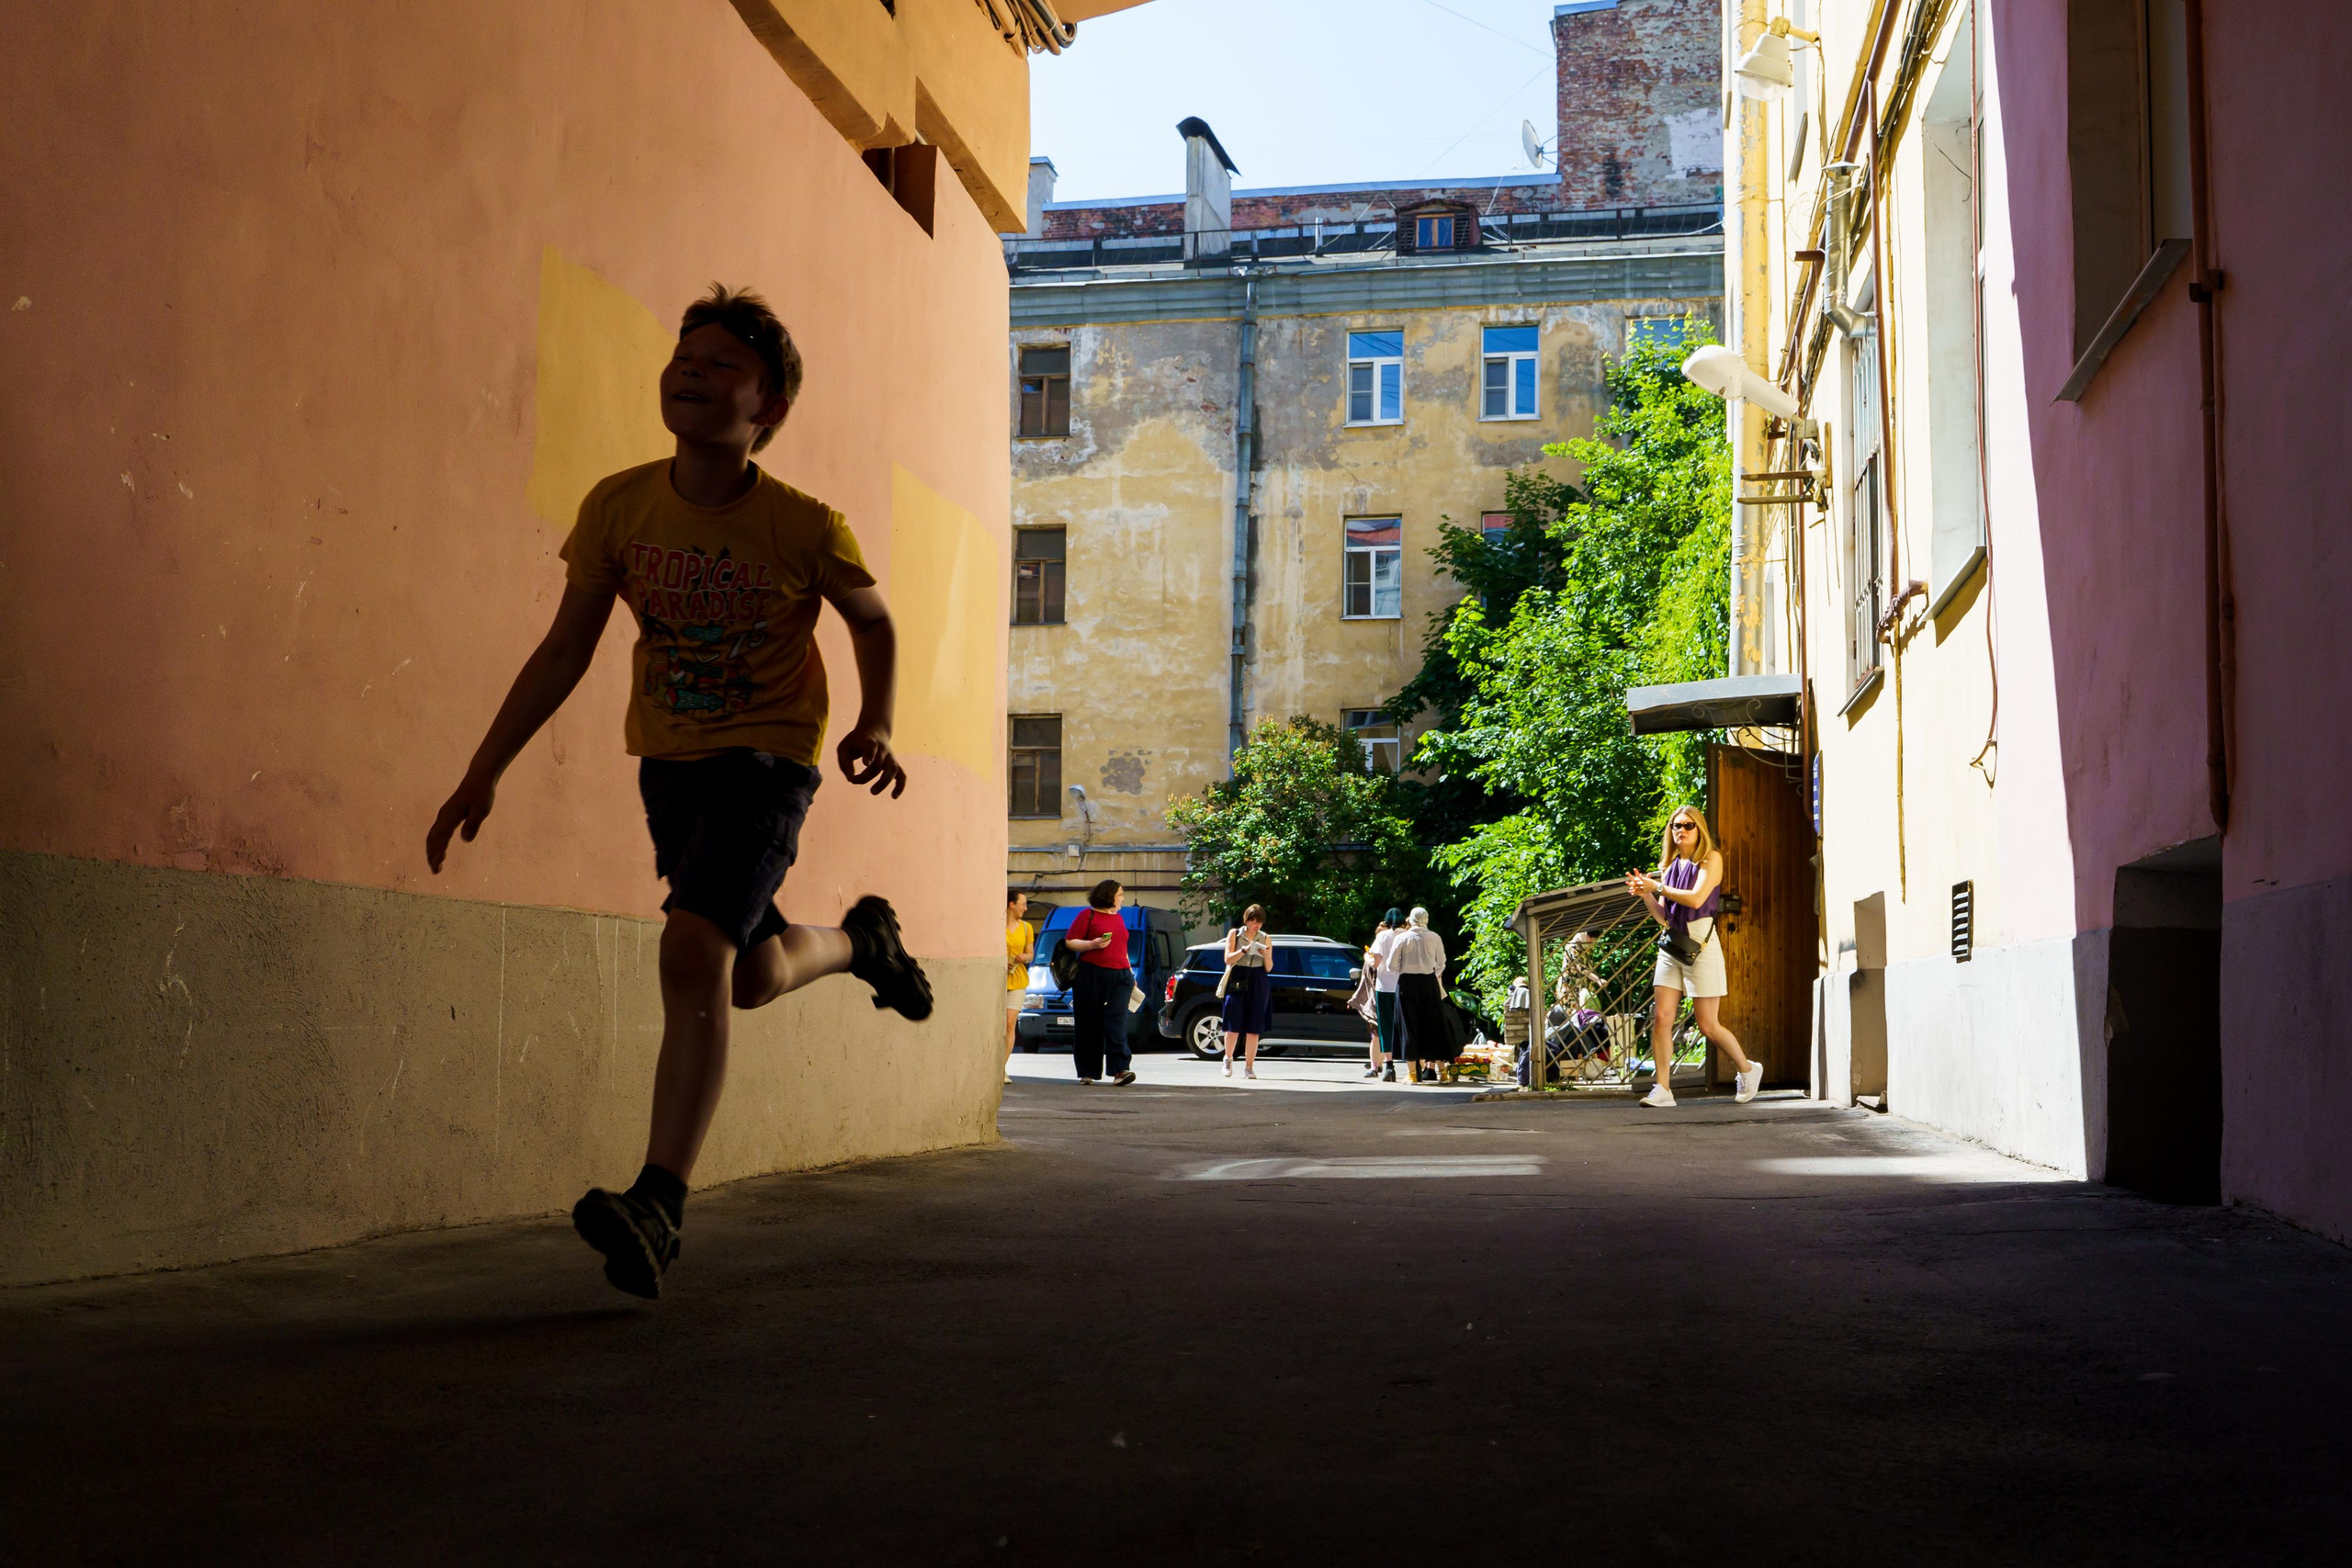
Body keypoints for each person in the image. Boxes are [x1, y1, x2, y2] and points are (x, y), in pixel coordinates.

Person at [425, 285, 932, 1301]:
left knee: (691, 944)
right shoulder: (619, 505)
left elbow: (870, 619)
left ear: (768, 408)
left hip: (768, 758)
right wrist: (484, 767)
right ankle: (856, 944)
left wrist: (876, 718)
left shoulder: (801, 525)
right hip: (670, 761)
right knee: (741, 977)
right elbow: (566, 647)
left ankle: (660, 1200)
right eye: (682, 357)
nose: (689, 373)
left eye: (718, 366)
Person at [1626, 804, 1763, 1109]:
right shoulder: (1670, 865)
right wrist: (1646, 893)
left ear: (1699, 829)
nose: (1682, 831)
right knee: (1661, 1018)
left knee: (1708, 1025)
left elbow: (1698, 897)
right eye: (1676, 826)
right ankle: (1662, 1088)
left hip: (1700, 944)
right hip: (1672, 944)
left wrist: (1658, 885)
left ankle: (1748, 1069)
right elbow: (1663, 917)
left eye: (1688, 825)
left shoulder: (1711, 859)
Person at [1064, 879, 1136, 1086]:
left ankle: (1120, 1070)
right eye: (1120, 894)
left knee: (1116, 1020)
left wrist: (1131, 974)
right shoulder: (1088, 915)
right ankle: (1088, 1072)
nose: (1122, 898)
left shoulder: (1119, 918)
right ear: (1110, 895)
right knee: (1089, 1021)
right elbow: (1071, 942)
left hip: (1121, 975)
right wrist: (1092, 944)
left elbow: (1122, 948)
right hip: (1092, 974)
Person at [1387, 907, 1456, 1084]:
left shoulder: (1402, 938)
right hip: (1429, 983)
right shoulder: (1435, 937)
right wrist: (1433, 974)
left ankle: (1412, 1074)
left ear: (1410, 920)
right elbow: (1441, 963)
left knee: (1409, 1025)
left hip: (1407, 984)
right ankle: (1442, 1072)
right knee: (1434, 1023)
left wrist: (1403, 969)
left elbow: (1391, 965)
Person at [1219, 905, 1274, 1079]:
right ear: (1247, 920)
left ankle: (1249, 1067)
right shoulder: (1235, 934)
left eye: (1259, 922)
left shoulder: (1265, 938)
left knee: (1254, 1027)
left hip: (1258, 979)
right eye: (1253, 922)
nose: (1256, 926)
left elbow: (1269, 967)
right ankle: (1228, 1059)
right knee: (1233, 1023)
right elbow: (1227, 959)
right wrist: (1244, 950)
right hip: (1238, 976)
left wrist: (1264, 953)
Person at [1366, 907, 1405, 1081]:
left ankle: (1389, 1066)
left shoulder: (1382, 936)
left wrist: (1367, 958)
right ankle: (1416, 1067)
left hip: (1385, 986)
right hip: (1404, 986)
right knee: (1407, 1025)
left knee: (1386, 1027)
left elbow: (1375, 963)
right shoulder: (1408, 935)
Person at [1005, 888, 1035, 1082]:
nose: (1025, 908)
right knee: (996, 1026)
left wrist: (1025, 956)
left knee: (1009, 1024)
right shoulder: (996, 925)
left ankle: (1002, 1068)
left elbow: (1030, 954)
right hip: (997, 979)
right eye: (1023, 903)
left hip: (1017, 980)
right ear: (1012, 904)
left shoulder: (1027, 927)